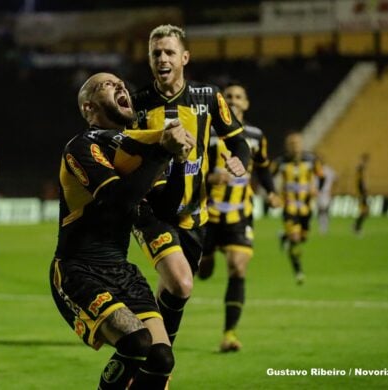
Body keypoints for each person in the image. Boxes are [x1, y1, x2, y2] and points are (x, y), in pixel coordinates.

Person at [49, 72, 195, 389]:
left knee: (162, 359)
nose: (120, 86)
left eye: (121, 83)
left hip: (121, 271)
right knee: (137, 343)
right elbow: (117, 201)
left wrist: (179, 160)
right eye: (107, 85)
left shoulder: (133, 152)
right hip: (78, 270)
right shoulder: (81, 146)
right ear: (89, 107)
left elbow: (165, 210)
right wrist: (161, 152)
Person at [130, 24, 251, 348]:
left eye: (169, 52)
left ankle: (151, 357)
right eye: (156, 53)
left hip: (195, 215)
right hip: (152, 211)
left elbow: (238, 141)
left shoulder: (209, 97)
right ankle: (160, 364)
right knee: (182, 283)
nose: (162, 58)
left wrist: (240, 161)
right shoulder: (137, 104)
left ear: (184, 57)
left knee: (173, 290)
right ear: (149, 59)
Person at [197, 84, 281, 352]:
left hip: (239, 214)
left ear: (246, 104)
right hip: (206, 214)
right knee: (204, 270)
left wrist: (272, 192)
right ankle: (206, 258)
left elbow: (264, 168)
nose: (233, 101)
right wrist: (210, 177)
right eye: (228, 97)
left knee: (238, 266)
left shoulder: (256, 136)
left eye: (238, 97)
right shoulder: (207, 132)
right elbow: (191, 168)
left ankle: (229, 334)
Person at [271, 132, 324, 285]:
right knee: (295, 239)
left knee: (303, 238)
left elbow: (322, 176)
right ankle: (298, 272)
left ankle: (284, 236)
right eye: (292, 144)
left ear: (302, 144)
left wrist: (316, 189)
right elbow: (267, 176)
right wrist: (273, 194)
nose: (295, 146)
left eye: (297, 143)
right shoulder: (280, 162)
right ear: (287, 146)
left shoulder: (312, 160)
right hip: (289, 207)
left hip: (306, 207)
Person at [317, 162, 337, 234]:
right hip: (320, 193)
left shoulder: (327, 170)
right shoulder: (319, 170)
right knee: (322, 211)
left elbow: (335, 179)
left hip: (325, 193)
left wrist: (333, 190)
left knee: (324, 210)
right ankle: (323, 227)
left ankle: (324, 227)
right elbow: (336, 179)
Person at [353, 153, 370, 235]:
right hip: (361, 194)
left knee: (366, 212)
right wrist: (363, 191)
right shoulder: (360, 169)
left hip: (362, 193)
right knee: (364, 211)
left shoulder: (361, 170)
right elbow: (360, 183)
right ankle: (357, 227)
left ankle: (356, 225)